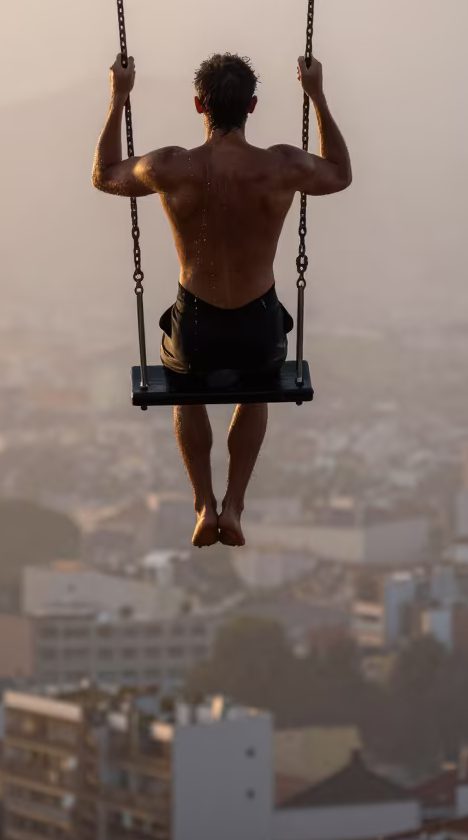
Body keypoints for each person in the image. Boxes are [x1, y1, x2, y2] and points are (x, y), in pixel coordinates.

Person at [93, 52, 351, 547]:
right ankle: (234, 505)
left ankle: (202, 504)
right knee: (258, 387)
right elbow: (339, 173)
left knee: (184, 386)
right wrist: (316, 94)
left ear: (199, 105)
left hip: (196, 327)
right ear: (252, 106)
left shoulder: (172, 166)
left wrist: (118, 97)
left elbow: (104, 174)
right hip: (259, 325)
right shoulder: (281, 165)